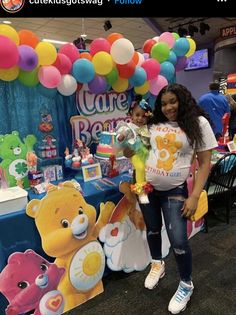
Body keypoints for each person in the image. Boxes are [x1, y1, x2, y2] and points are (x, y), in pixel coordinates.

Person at [124, 84, 218, 314]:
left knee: (178, 241)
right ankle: (158, 263)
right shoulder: (155, 123)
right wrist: (127, 147)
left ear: (183, 100)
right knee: (153, 230)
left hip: (175, 191)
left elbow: (205, 162)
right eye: (164, 103)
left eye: (172, 101)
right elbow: (140, 150)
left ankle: (186, 283)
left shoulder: (198, 123)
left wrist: (195, 195)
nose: (168, 107)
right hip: (147, 189)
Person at [116, 95, 153, 204]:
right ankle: (141, 193)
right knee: (140, 168)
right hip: (135, 152)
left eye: (143, 116)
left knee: (147, 169)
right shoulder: (129, 127)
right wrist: (121, 136)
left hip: (146, 152)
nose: (140, 118)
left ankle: (147, 187)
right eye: (137, 115)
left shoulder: (147, 128)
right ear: (131, 115)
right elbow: (123, 133)